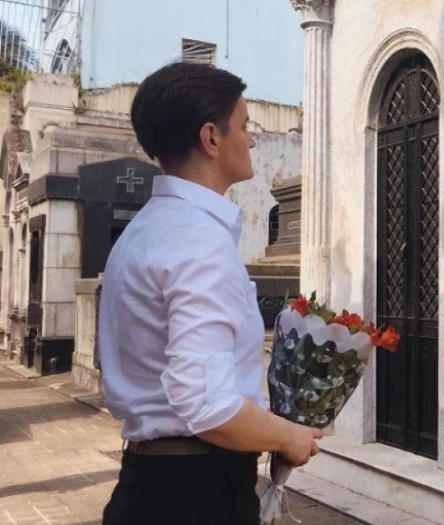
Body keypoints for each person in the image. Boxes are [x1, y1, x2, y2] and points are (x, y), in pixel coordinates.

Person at [98, 62, 321, 525]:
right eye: (244, 125)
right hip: (195, 493)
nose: (252, 141)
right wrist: (289, 436)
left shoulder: (146, 229)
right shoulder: (197, 240)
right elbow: (208, 406)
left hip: (152, 482)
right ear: (211, 138)